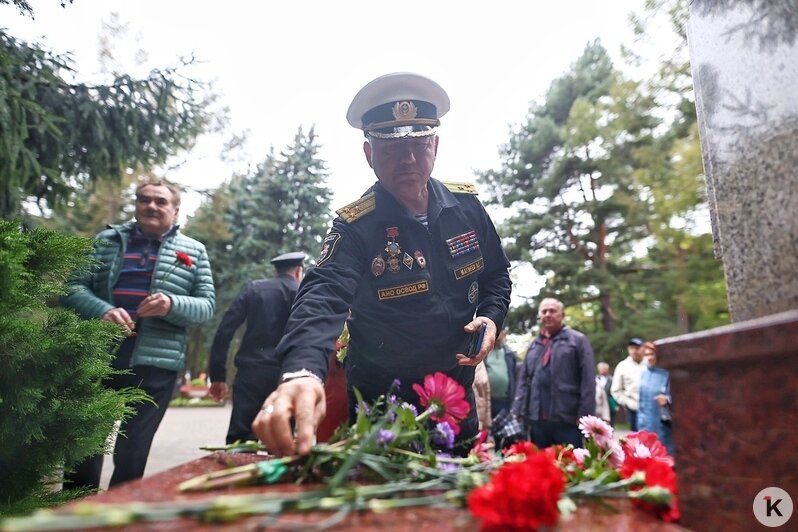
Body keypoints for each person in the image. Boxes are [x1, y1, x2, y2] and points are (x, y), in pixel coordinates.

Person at [252, 72, 512, 456]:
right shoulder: (357, 226)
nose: (408, 159)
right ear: (369, 153)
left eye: (419, 144)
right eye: (390, 148)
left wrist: (491, 317)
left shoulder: (468, 208)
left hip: (454, 397)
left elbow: (497, 276)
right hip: (383, 405)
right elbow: (322, 296)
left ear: (435, 146)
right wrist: (302, 373)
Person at [61, 180, 215, 489]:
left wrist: (172, 304)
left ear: (175, 209)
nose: (151, 206)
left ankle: (118, 515)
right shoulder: (105, 241)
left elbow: (207, 306)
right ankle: (73, 512)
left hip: (155, 365)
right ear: (136, 205)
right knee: (83, 448)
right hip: (99, 355)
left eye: (160, 201)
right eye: (144, 200)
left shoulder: (194, 251)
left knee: (132, 453)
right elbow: (72, 287)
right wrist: (101, 309)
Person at [208, 252, 306, 444]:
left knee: (239, 441)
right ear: (298, 271)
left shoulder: (255, 289)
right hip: (286, 376)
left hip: (251, 374)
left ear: (276, 271)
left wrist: (218, 376)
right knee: (282, 440)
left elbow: (224, 331)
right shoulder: (302, 293)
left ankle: (235, 471)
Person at [511, 298, 596, 448]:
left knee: (570, 465)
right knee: (542, 466)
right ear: (539, 316)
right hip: (537, 420)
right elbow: (523, 379)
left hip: (567, 419)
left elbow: (588, 381)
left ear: (562, 315)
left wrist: (585, 415)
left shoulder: (578, 341)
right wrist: (517, 409)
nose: (548, 314)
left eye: (552, 311)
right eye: (544, 311)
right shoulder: (534, 345)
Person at [637, 341, 674, 456]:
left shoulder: (667, 373)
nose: (649, 357)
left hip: (662, 423)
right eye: (646, 355)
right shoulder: (643, 373)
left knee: (664, 453)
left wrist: (667, 400)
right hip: (645, 422)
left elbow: (680, 395)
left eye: (652, 354)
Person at [611, 337, 645, 431]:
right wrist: (626, 403)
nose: (634, 351)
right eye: (632, 348)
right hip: (634, 408)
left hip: (651, 407)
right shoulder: (622, 366)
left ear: (643, 349)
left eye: (637, 348)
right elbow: (615, 390)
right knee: (637, 438)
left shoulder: (649, 363)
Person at [484, 327, 517, 419]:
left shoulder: (509, 354)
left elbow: (514, 376)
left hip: (505, 402)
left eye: (500, 331)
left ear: (504, 334)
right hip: (488, 402)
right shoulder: (484, 352)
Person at [596, 361, 617, 426]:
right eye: (601, 369)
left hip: (609, 403)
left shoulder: (612, 379)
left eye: (604, 369)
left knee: (610, 422)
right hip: (599, 404)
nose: (603, 370)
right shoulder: (596, 378)